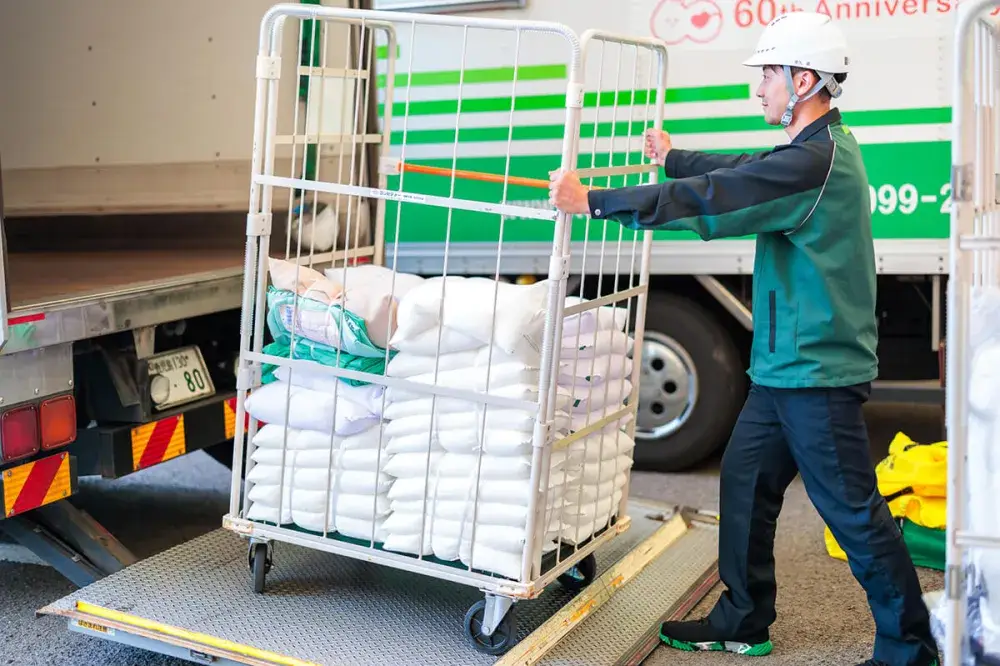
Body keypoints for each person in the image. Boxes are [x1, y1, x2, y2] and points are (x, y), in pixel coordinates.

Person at [548, 11, 939, 666]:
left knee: (851, 512)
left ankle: (910, 647)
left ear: (803, 79)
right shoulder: (813, 151)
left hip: (816, 373)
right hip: (785, 367)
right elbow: (746, 168)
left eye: (766, 76)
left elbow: (720, 196)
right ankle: (743, 618)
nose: (758, 89)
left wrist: (596, 201)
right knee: (745, 477)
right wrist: (673, 157)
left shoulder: (814, 163)